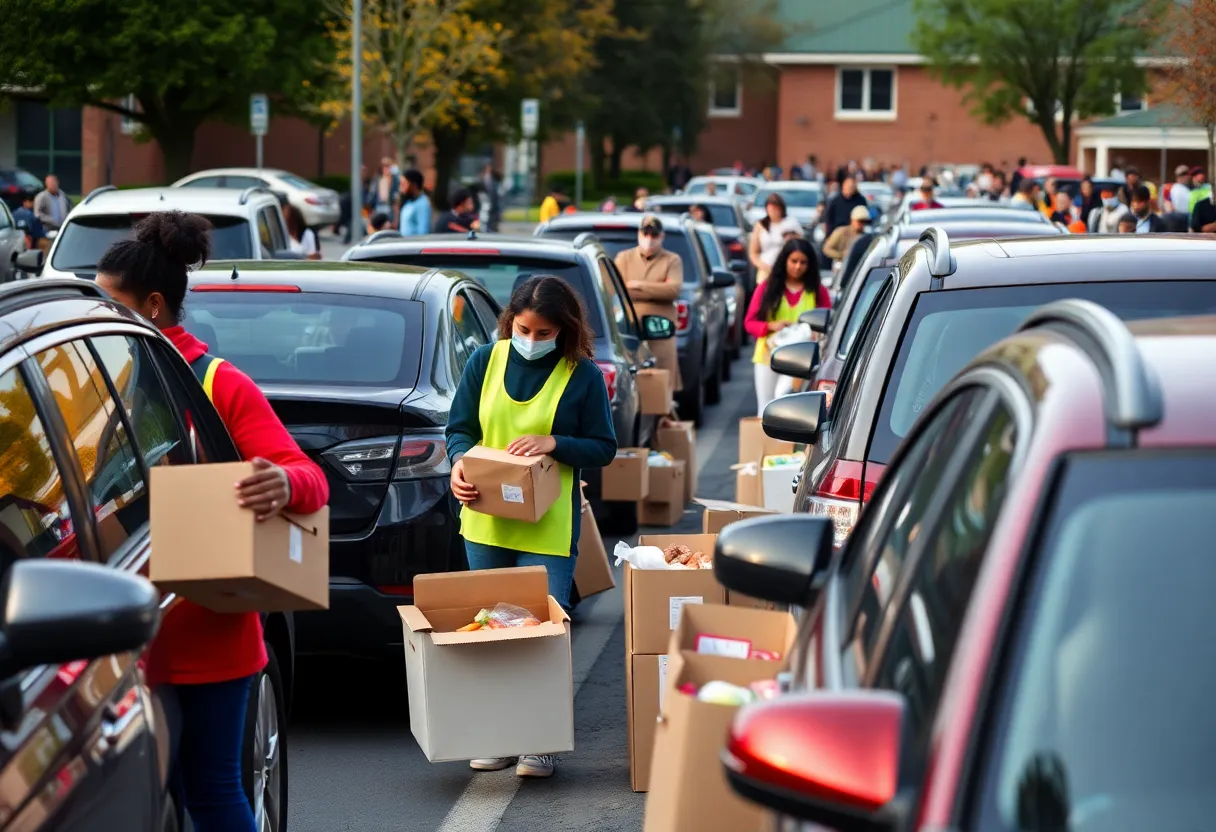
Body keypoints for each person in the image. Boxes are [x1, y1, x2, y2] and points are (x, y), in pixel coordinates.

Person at [94, 211, 328, 831]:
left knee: (213, 793)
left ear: (151, 305)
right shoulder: (101, 382)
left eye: (109, 301)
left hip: (208, 633)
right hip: (122, 638)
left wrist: (281, 482)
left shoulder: (216, 383)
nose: (99, 314)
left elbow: (310, 479)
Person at [446, 276, 616, 778]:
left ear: (564, 330)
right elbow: (460, 429)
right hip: (485, 521)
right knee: (490, 634)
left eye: (545, 333)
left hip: (546, 527)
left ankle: (539, 742)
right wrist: (457, 464)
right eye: (524, 329)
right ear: (510, 322)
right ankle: (497, 736)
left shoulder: (580, 375)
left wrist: (555, 443)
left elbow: (603, 447)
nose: (533, 340)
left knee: (540, 633)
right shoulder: (484, 361)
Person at [744, 238, 831, 416]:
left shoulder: (817, 290)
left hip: (802, 359)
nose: (798, 267)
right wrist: (770, 326)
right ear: (784, 261)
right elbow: (749, 323)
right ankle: (766, 445)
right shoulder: (767, 288)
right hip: (768, 356)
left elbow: (828, 322)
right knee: (767, 409)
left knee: (790, 408)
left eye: (803, 262)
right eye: (793, 261)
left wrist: (816, 333)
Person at [614, 215, 682, 391]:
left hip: (660, 327)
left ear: (662, 236)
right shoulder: (623, 258)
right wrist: (657, 288)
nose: (649, 239)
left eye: (654, 235)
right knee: (631, 379)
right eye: (646, 234)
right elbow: (616, 290)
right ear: (639, 234)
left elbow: (673, 290)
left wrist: (637, 285)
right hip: (628, 327)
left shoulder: (672, 260)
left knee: (663, 379)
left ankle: (663, 415)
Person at [748, 193, 802, 281]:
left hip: (786, 270)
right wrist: (763, 266)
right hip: (766, 268)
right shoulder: (761, 225)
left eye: (776, 208)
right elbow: (753, 252)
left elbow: (800, 246)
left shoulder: (790, 223)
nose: (773, 211)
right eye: (770, 208)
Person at [398, 169, 431, 236]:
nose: (401, 188)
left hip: (413, 245)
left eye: (403, 184)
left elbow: (423, 232)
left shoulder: (423, 204)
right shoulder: (408, 202)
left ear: (414, 185)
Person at [367, 158, 400, 226]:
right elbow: (372, 194)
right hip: (378, 206)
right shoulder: (377, 179)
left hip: (389, 207)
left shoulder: (395, 180)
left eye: (388, 167)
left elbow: (396, 195)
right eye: (385, 167)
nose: (386, 169)